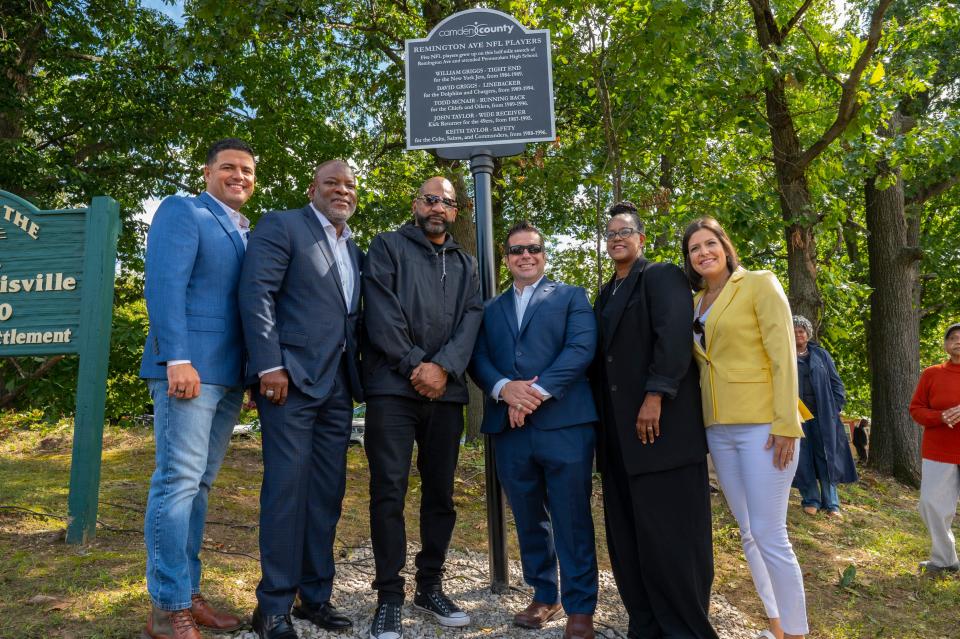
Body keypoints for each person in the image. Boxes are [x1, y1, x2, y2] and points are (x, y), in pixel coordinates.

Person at [239, 160, 363, 639]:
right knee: (287, 492)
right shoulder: (281, 225)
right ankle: (272, 606)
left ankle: (315, 597)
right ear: (312, 188)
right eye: (332, 182)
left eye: (350, 185)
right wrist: (269, 365)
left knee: (326, 496)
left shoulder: (352, 246)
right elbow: (258, 294)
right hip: (288, 382)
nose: (342, 191)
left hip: (337, 388)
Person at [139, 138, 255, 639]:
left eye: (247, 170)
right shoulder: (183, 212)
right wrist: (176, 358)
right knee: (177, 482)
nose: (239, 176)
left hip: (228, 376)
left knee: (198, 486)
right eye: (228, 167)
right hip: (188, 371)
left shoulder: (244, 230)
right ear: (206, 172)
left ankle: (186, 593)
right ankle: (167, 610)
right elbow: (164, 284)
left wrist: (250, 373)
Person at [362, 176, 483, 639]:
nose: (438, 208)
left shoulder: (467, 262)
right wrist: (418, 366)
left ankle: (429, 586)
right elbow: (381, 313)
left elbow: (473, 318)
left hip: (446, 394)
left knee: (440, 496)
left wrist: (443, 369)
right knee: (388, 492)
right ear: (416, 204)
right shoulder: (387, 247)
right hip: (393, 390)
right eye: (430, 199)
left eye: (447, 202)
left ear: (456, 212)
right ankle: (389, 597)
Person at [591, 203, 718, 639]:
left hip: (661, 435)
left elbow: (674, 336)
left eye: (625, 231)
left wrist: (655, 394)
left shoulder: (662, 276)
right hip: (618, 444)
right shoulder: (605, 293)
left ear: (641, 239)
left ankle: (684, 629)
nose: (617, 238)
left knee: (673, 544)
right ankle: (644, 626)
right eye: (610, 234)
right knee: (630, 545)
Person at [470, 221, 599, 639]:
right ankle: (545, 593)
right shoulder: (490, 309)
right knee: (528, 516)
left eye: (533, 249)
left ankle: (580, 607)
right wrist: (505, 389)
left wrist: (534, 394)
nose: (525, 256)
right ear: (505, 258)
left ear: (544, 254)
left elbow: (580, 349)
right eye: (516, 250)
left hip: (564, 425)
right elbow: (479, 357)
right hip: (510, 431)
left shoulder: (571, 297)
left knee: (571, 516)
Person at [683, 217, 809, 639]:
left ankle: (796, 633)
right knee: (749, 533)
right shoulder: (696, 301)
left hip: (764, 424)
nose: (703, 252)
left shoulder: (758, 283)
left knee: (771, 534)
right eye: (694, 248)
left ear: (725, 245)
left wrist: (786, 422)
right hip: (718, 427)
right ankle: (776, 627)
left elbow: (783, 354)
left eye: (709, 243)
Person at [791, 315, 857, 517]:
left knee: (826, 456)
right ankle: (811, 499)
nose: (797, 334)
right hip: (797, 416)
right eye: (793, 331)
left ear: (808, 333)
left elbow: (837, 384)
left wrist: (835, 407)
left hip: (823, 415)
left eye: (801, 330)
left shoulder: (821, 355)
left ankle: (832, 504)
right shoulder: (784, 354)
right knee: (803, 457)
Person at [909, 322, 960, 576]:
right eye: (953, 337)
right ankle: (944, 559)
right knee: (930, 504)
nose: (958, 340)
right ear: (945, 345)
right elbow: (916, 409)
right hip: (939, 450)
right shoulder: (932, 374)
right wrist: (940, 417)